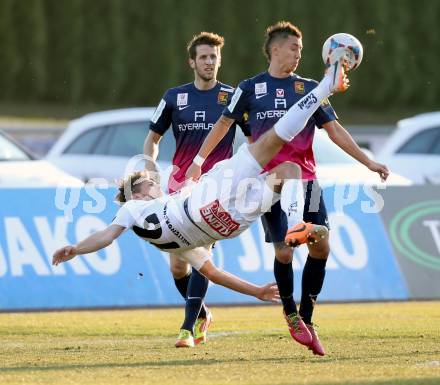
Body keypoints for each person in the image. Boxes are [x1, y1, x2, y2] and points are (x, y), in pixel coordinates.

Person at [53, 55, 354, 349]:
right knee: (276, 143)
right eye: (149, 183)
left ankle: (293, 227)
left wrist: (257, 292)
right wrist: (78, 247)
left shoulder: (175, 245)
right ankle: (324, 88)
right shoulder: (134, 207)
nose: (155, 184)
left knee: (288, 170)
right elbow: (107, 234)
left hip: (229, 223)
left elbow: (213, 273)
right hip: (210, 198)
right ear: (138, 193)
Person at [185, 22, 389, 356]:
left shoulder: (309, 89)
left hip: (307, 182)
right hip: (268, 184)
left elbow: (335, 131)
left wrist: (368, 163)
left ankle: (307, 317)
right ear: (275, 49)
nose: (299, 54)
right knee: (284, 252)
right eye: (294, 47)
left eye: (301, 49)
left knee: (321, 245)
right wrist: (198, 160)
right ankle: (291, 313)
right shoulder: (250, 88)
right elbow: (223, 124)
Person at [144, 32, 249, 347]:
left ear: (220, 60)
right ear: (192, 61)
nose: (209, 62)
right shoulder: (174, 97)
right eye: (203, 57)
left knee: (201, 253)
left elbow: (255, 137)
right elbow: (153, 138)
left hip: (217, 187)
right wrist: (150, 168)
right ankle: (202, 313)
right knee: (178, 265)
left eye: (214, 56)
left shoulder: (232, 97)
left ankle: (187, 329)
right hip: (179, 186)